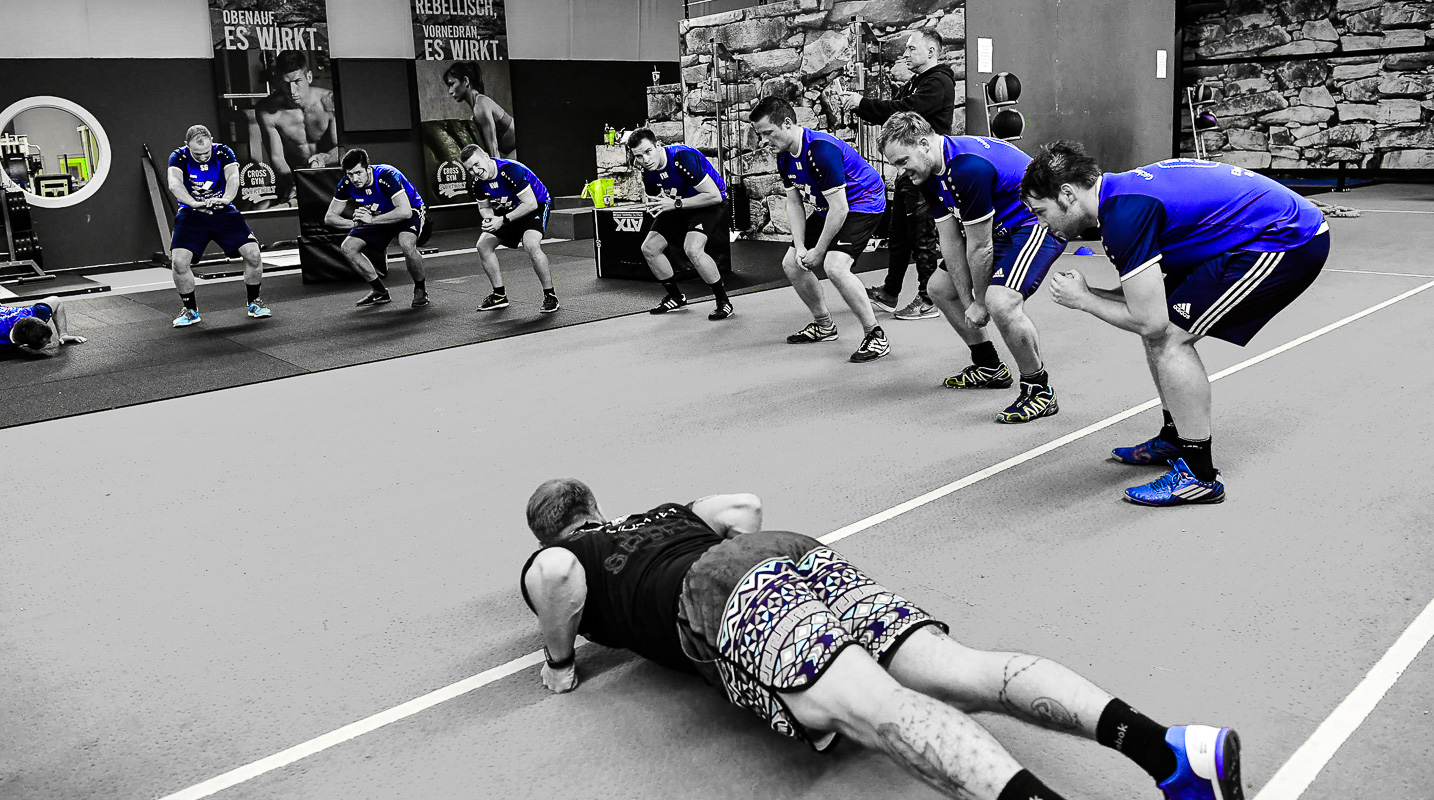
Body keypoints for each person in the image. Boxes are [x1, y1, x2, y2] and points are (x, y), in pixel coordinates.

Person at [521, 478, 1245, 800]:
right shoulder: (660, 510)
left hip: (716, 591)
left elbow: (555, 575)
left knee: (880, 710)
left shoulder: (564, 553)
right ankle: (1171, 750)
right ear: (599, 507)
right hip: (785, 549)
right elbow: (742, 504)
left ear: (552, 527)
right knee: (956, 668)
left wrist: (560, 662)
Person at [1020, 142, 1330, 506]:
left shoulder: (1123, 215)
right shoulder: (1119, 195)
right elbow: (1144, 301)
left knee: (1169, 340)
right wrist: (1093, 294)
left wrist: (1084, 300)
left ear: (1067, 195)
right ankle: (1176, 438)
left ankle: (1199, 475)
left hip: (1288, 239)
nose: (1042, 223)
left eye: (1041, 212)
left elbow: (1151, 323)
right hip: (1245, 236)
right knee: (1161, 334)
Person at [880, 113, 1065, 424]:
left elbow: (981, 247)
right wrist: (968, 303)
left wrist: (980, 303)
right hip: (996, 229)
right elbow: (950, 239)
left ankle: (1038, 390)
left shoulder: (966, 168)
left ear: (924, 144)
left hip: (1035, 223)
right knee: (939, 288)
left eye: (902, 161)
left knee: (1000, 302)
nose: (901, 171)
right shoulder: (927, 172)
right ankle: (989, 365)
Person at [749, 96, 890, 363]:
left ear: (788, 123)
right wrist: (801, 247)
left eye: (768, 132)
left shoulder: (820, 150)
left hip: (862, 203)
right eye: (760, 135)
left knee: (835, 266)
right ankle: (824, 326)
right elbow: (794, 204)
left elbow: (841, 209)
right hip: (830, 206)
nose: (764, 141)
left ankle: (875, 335)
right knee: (792, 264)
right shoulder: (784, 156)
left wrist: (819, 252)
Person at [839, 28, 956, 322]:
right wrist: (858, 105)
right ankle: (890, 293)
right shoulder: (917, 82)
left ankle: (929, 299)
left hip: (926, 170)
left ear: (931, 52)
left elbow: (904, 111)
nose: (905, 54)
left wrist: (861, 103)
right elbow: (893, 117)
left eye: (911, 49)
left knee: (922, 235)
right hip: (908, 168)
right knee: (898, 234)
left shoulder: (938, 82)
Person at [166, 125, 271, 327]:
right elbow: (174, 184)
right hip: (191, 213)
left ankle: (254, 303)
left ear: (211, 141)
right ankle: (190, 310)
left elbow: (232, 177)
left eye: (206, 152)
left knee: (253, 254)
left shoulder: (223, 151)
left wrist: (226, 199)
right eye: (197, 154)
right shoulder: (178, 156)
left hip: (223, 210)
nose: (203, 157)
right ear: (186, 145)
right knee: (179, 262)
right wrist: (193, 203)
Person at [625, 128, 734, 320]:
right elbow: (654, 196)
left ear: (658, 146)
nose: (645, 159)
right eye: (639, 156)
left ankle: (723, 301)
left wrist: (675, 204)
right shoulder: (645, 168)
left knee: (693, 249)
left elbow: (714, 195)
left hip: (709, 203)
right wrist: (653, 205)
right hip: (679, 203)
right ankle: (676, 297)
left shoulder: (682, 158)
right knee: (649, 248)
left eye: (648, 152)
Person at [324, 149, 431, 308]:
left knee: (407, 244)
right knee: (348, 247)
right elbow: (329, 217)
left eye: (358, 173)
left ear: (368, 168)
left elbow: (405, 211)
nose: (355, 178)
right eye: (350, 174)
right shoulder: (346, 184)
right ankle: (379, 291)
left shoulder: (386, 175)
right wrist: (355, 224)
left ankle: (420, 290)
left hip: (409, 210)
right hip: (378, 214)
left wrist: (371, 219)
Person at [461, 144, 560, 315]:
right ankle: (499, 295)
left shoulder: (509, 170)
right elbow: (484, 206)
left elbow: (530, 203)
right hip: (507, 207)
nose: (475, 171)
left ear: (485, 156)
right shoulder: (477, 182)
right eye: (470, 169)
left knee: (530, 244)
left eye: (476, 164)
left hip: (535, 205)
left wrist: (503, 220)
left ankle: (550, 295)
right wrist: (489, 218)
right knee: (482, 245)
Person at [257, 50, 339, 204]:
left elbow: (341, 149)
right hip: (292, 179)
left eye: (297, 81)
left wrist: (323, 158)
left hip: (330, 177)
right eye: (285, 84)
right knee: (260, 208)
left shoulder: (329, 102)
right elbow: (277, 157)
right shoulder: (268, 111)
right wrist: (293, 183)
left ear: (308, 77)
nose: (292, 91)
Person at [445, 61, 517, 160]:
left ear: (465, 81)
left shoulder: (481, 105)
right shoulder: (477, 110)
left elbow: (494, 152)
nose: (450, 91)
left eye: (452, 84)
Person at [1, 296, 86, 355]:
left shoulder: (36, 313)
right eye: (46, 342)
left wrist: (63, 334)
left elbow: (56, 301)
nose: (50, 341)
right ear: (25, 345)